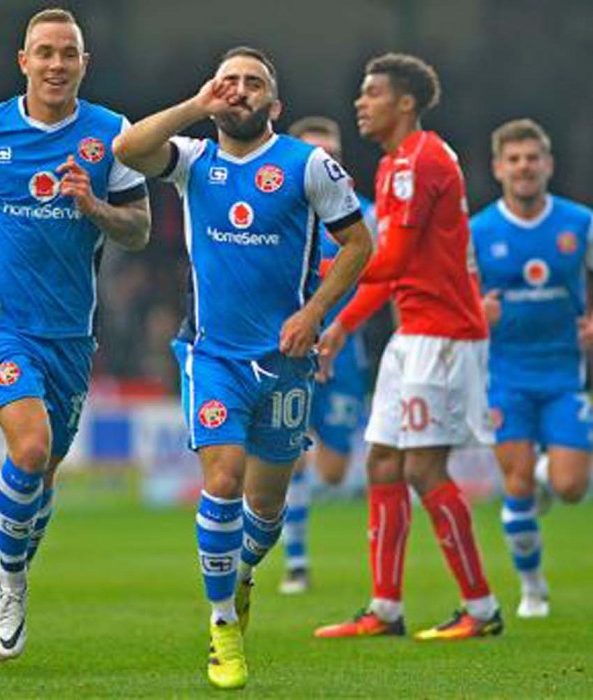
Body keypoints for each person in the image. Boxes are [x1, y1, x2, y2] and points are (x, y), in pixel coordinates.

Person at [113, 47, 372, 689]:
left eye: (253, 83)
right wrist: (196, 106)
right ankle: (224, 626)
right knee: (223, 480)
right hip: (211, 354)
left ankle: (245, 571)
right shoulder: (195, 160)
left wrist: (313, 313)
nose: (239, 91)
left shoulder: (307, 164)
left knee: (265, 513)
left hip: (284, 359)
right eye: (229, 81)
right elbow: (126, 150)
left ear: (274, 105)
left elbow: (358, 244)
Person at [0, 8, 150, 661]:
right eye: (44, 52)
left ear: (84, 64)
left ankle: (10, 563)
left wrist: (94, 207)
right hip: (2, 322)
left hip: (72, 336)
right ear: (23, 60)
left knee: (43, 475)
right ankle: (12, 577)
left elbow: (138, 228)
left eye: (68, 54)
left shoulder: (113, 135)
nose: (56, 64)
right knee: (29, 449)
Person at [314, 53, 503, 642]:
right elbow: (396, 270)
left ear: (404, 103)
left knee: (423, 467)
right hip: (413, 332)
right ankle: (385, 609)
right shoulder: (397, 162)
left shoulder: (419, 162)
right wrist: (344, 322)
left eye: (371, 93)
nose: (360, 103)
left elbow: (387, 259)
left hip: (442, 335)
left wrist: (319, 278)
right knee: (383, 463)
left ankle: (481, 607)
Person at [470, 118, 593, 618]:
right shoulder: (478, 230)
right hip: (505, 374)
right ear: (499, 168)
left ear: (548, 165)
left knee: (570, 488)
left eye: (532, 158)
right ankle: (532, 588)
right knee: (517, 482)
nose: (524, 167)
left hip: (565, 373)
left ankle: (548, 476)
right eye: (514, 159)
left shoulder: (579, 222)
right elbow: (457, 299)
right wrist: (479, 315)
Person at [279, 116, 375, 595]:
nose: (325, 162)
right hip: (288, 351)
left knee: (334, 473)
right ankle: (296, 562)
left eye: (332, 154)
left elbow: (389, 283)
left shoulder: (366, 217)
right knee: (291, 457)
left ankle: (285, 518)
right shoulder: (278, 211)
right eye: (315, 153)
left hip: (344, 355)